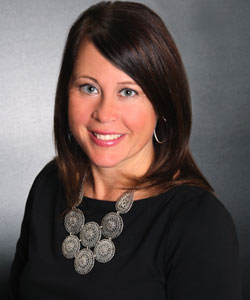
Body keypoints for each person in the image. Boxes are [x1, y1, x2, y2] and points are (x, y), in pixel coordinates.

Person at [8, 1, 241, 299]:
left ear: (163, 105)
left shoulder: (199, 223)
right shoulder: (48, 184)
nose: (105, 114)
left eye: (128, 92)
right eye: (89, 88)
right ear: (66, 93)